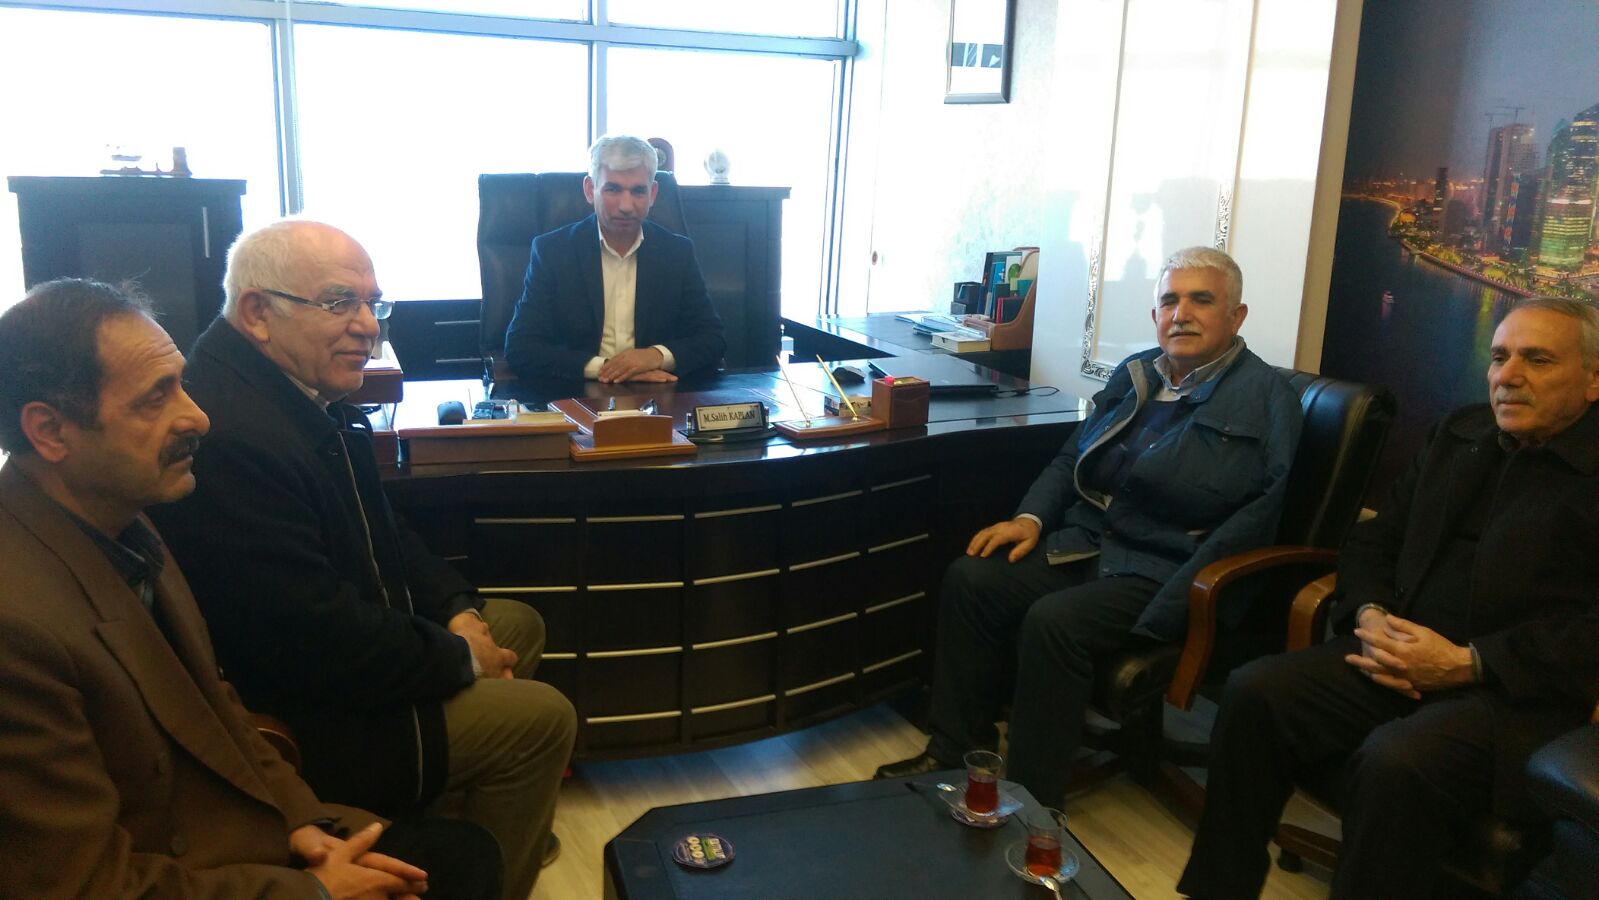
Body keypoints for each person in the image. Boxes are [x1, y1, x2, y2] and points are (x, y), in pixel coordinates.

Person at [0, 278, 502, 899]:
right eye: (155, 398)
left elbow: (217, 705)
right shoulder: (17, 630)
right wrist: (314, 893)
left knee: (463, 858)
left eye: (181, 384)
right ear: (50, 431)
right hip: (187, 873)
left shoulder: (126, 521)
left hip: (235, 833)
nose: (198, 417)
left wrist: (300, 818)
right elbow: (82, 887)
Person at [146, 221, 577, 900]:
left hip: (341, 660)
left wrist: (458, 612)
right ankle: (484, 867)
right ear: (258, 313)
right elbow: (314, 640)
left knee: (514, 624)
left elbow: (386, 534)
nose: (368, 327)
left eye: (373, 304)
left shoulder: (294, 395)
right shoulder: (233, 435)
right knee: (541, 719)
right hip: (309, 718)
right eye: (339, 302)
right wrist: (457, 658)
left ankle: (468, 830)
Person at [1178, 296, 1599, 899]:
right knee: (1254, 692)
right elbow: (1373, 542)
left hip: (1514, 693)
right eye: (1499, 357)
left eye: (1537, 360)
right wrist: (1370, 614)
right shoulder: (1460, 434)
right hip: (1396, 655)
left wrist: (1470, 662)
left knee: (1395, 762)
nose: (1507, 376)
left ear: (1592, 379)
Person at [874, 247, 1304, 809]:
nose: (1182, 314)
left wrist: (1184, 605)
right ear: (1155, 315)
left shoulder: (1268, 400)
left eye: (1201, 300)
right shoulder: (1137, 374)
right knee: (971, 578)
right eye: (1170, 301)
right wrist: (1029, 519)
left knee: (1055, 622)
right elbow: (1069, 457)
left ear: (1236, 315)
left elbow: (1256, 519)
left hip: (1165, 569)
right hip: (1088, 543)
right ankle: (955, 753)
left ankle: (1029, 807)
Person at [502, 133, 726, 382]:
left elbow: (712, 339)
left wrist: (655, 356)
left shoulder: (676, 253)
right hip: (578, 392)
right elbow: (521, 347)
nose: (626, 206)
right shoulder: (553, 252)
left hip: (658, 393)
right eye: (613, 189)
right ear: (590, 190)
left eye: (638, 191)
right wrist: (609, 369)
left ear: (653, 193)